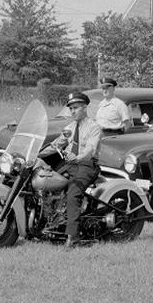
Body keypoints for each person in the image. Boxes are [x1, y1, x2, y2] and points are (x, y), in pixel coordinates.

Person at [47, 91, 102, 246]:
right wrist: (34, 154)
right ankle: (51, 224)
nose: (73, 111)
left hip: (87, 165)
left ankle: (73, 237)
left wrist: (77, 157)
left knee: (73, 193)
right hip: (71, 165)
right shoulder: (70, 127)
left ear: (85, 108)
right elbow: (55, 145)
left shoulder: (94, 127)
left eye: (76, 108)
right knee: (48, 181)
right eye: (71, 108)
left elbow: (90, 150)